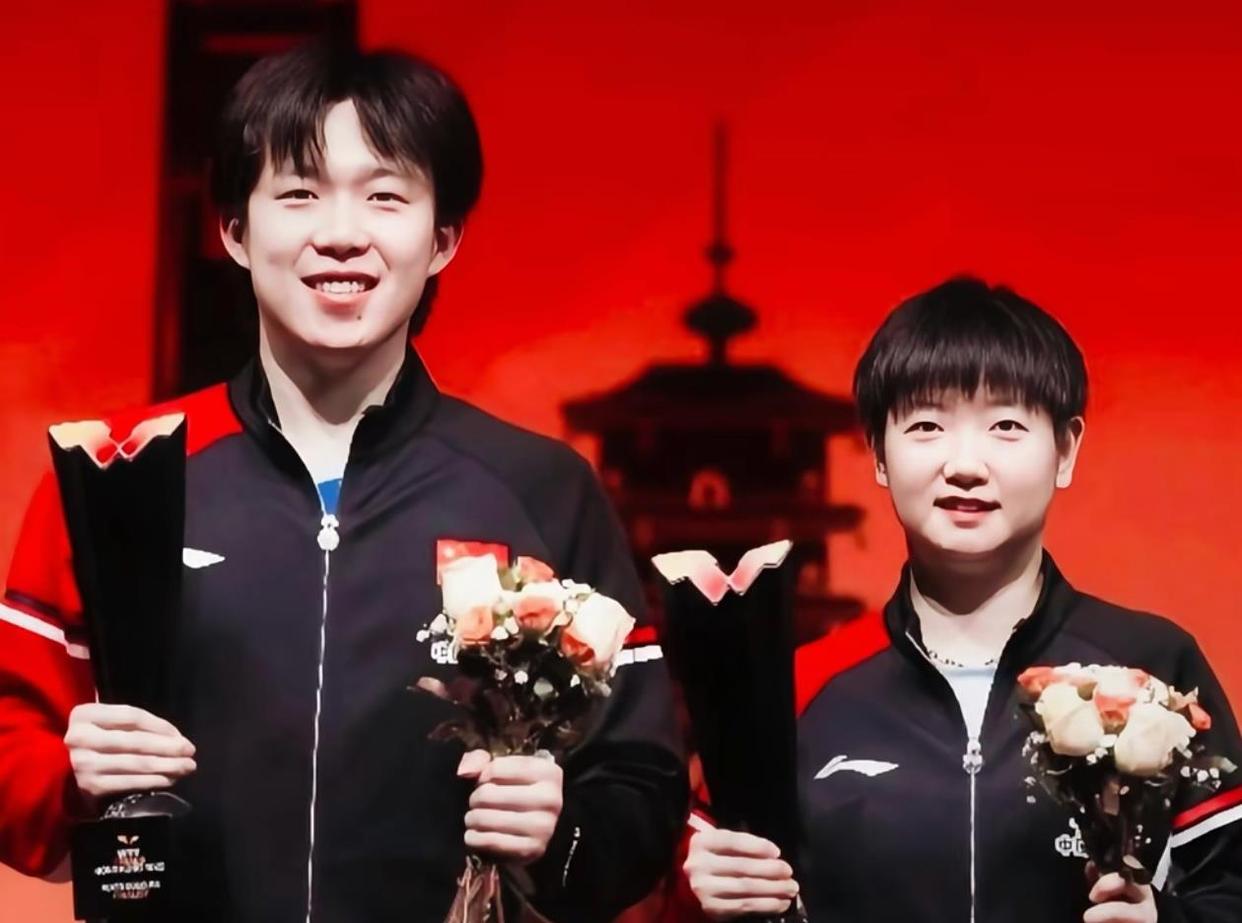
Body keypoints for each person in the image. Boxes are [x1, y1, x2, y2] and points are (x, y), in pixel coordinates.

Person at [0, 42, 685, 922]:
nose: (341, 233)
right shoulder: (114, 475)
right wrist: (71, 775)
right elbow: (11, 744)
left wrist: (561, 833)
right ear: (233, 230)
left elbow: (641, 777)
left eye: (385, 196)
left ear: (442, 239)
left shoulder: (542, 488)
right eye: (299, 193)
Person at [682, 277, 1242, 922]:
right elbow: (700, 889)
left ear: (1065, 450)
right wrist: (711, 897)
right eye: (927, 425)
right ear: (879, 453)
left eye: (1006, 425)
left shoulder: (1151, 669)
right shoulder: (804, 688)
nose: (965, 465)